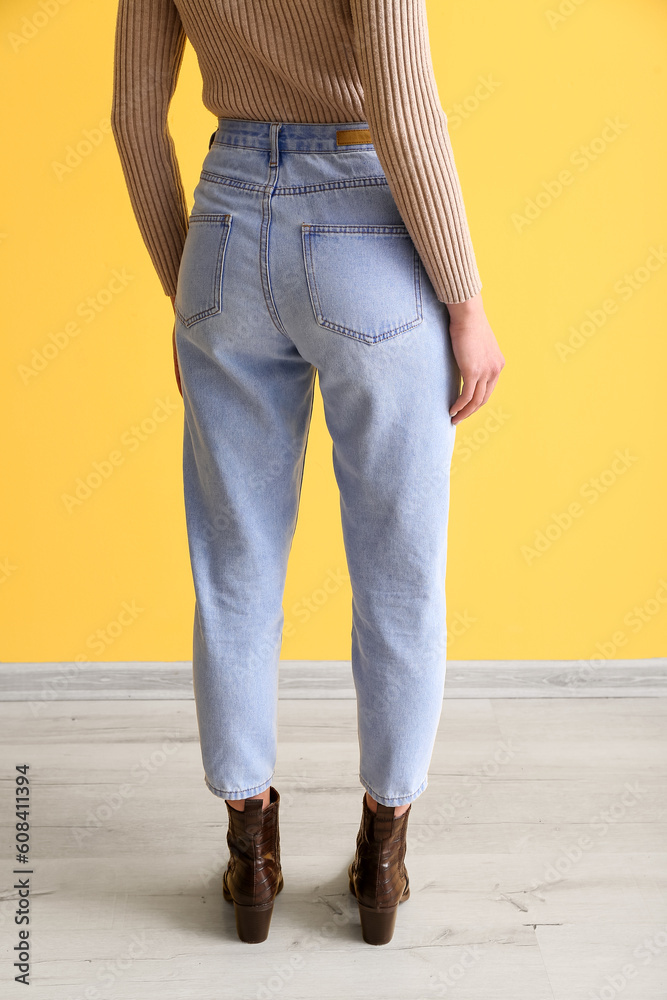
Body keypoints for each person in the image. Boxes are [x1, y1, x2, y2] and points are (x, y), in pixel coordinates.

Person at [111, 0, 505, 946]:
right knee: (398, 568)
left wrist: (185, 289)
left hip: (223, 232)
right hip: (361, 221)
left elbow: (133, 117)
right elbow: (404, 107)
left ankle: (250, 855)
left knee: (234, 566)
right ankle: (382, 857)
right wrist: (463, 300)